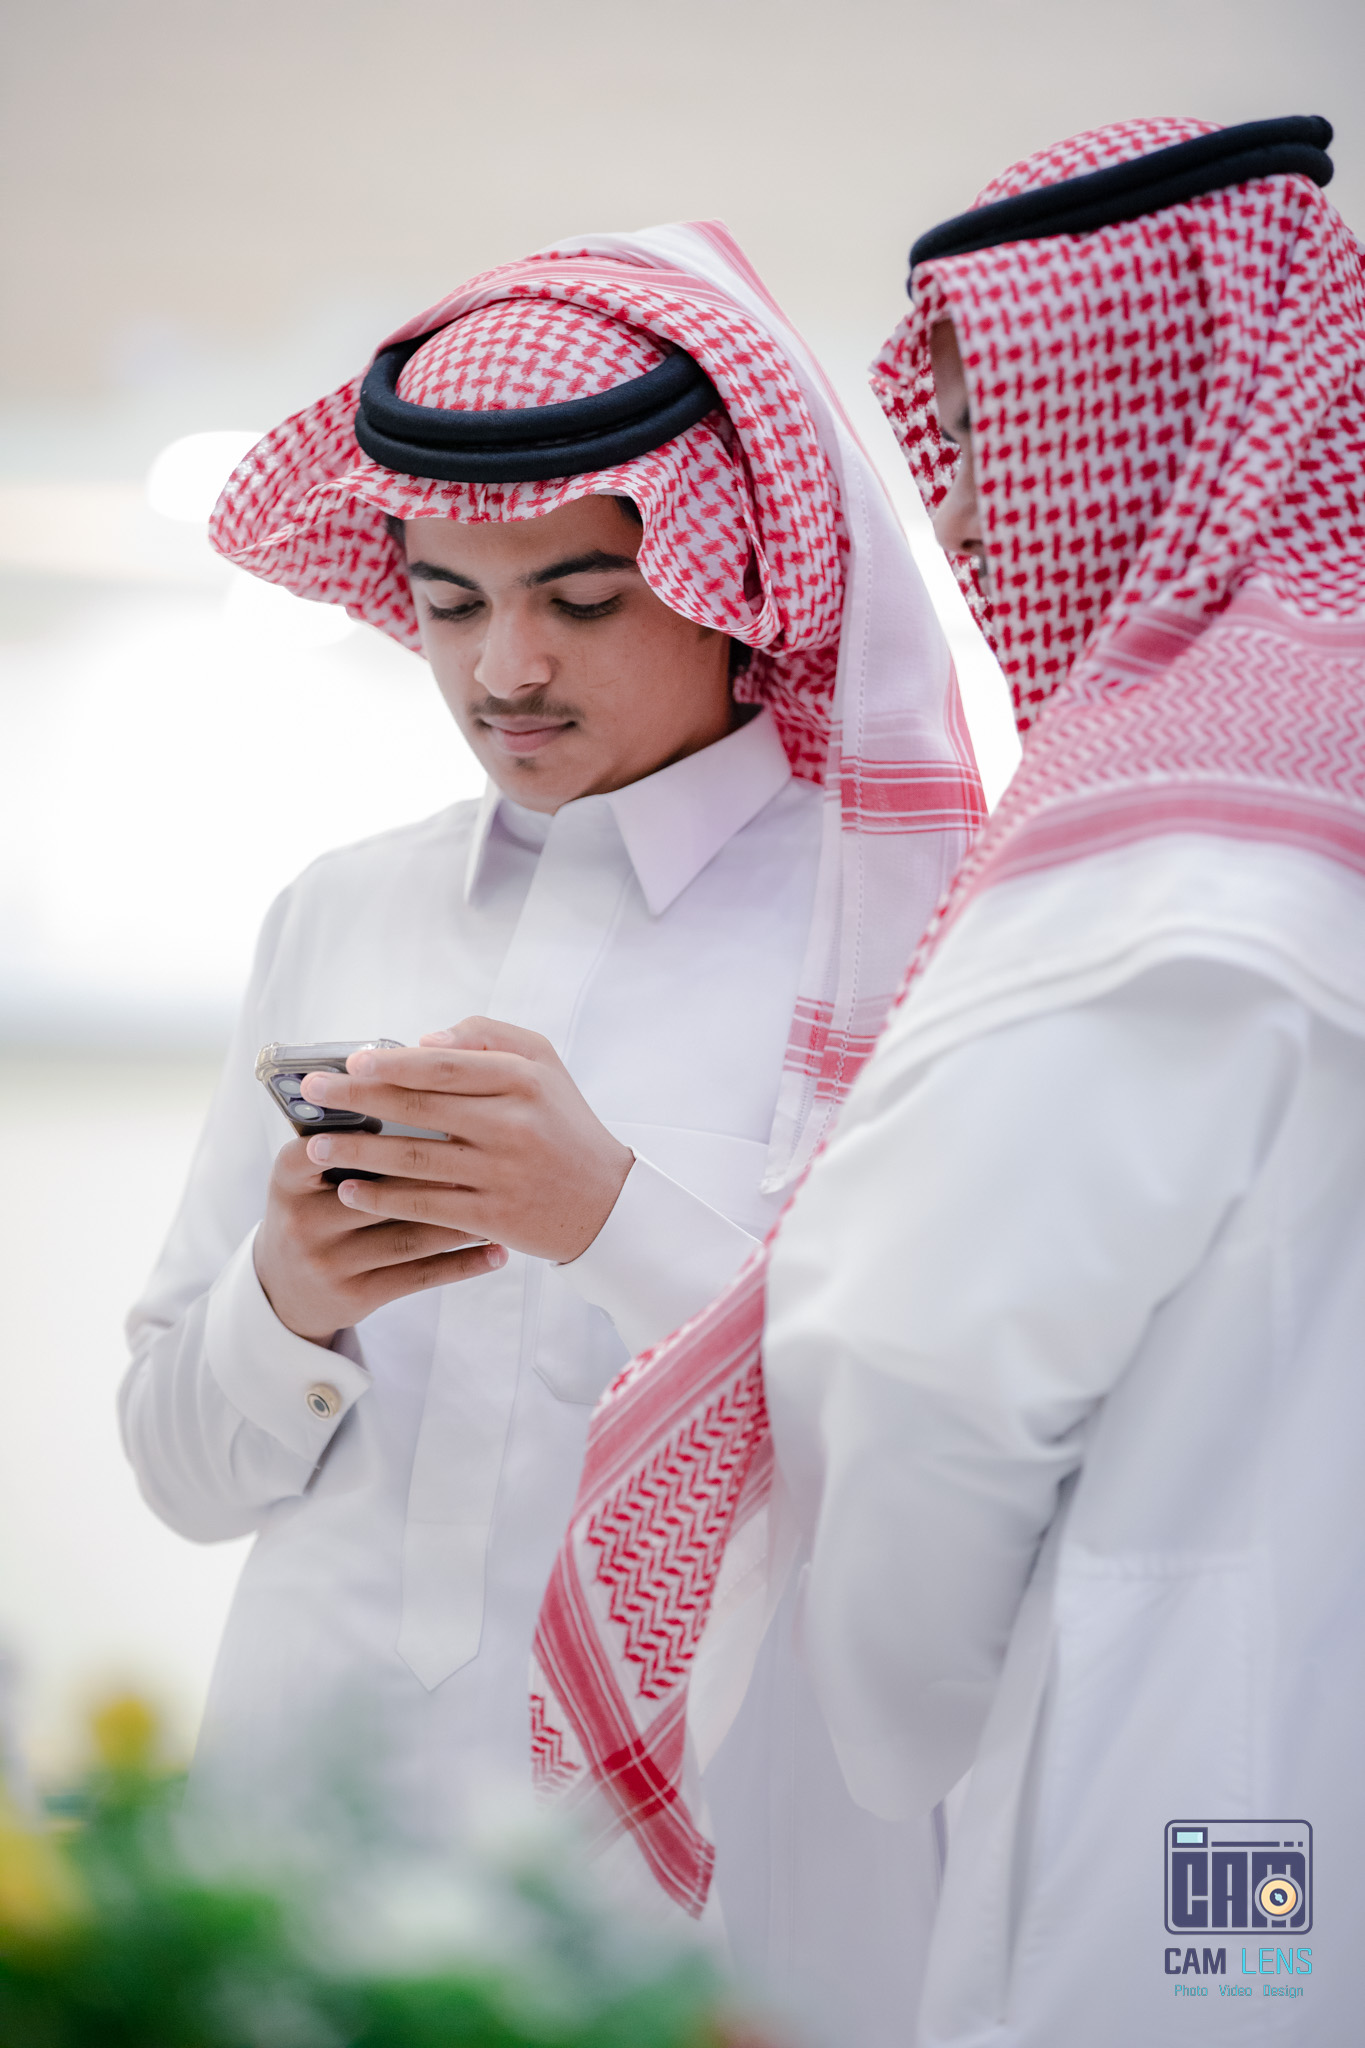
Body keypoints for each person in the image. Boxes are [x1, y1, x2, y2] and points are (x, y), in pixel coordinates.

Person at [119, 223, 983, 2039]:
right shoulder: (339, 910)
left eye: (582, 601)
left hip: (701, 1906)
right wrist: (287, 1297)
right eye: (449, 604)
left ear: (734, 573)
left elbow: (952, 1490)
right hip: (298, 1862)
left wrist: (611, 1222)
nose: (503, 668)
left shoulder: (910, 923)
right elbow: (183, 1476)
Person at [756, 116, 1365, 2045]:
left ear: (1166, 405)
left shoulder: (1188, 816)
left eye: (982, 433)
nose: (955, 518)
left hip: (1219, 1809)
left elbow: (922, 1360)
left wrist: (898, 1718)